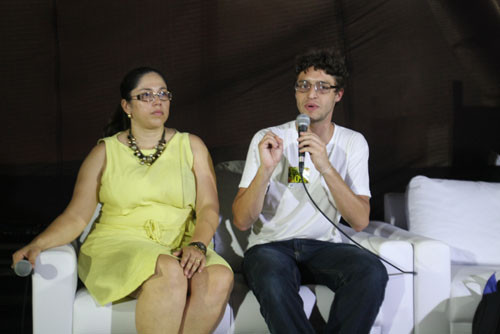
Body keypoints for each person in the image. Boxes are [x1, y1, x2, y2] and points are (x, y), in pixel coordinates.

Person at [12, 67, 233, 333]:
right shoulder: (104, 152)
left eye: (163, 93)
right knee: (169, 270)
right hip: (120, 243)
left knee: (219, 276)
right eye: (146, 95)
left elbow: (208, 206)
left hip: (179, 242)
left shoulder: (192, 145)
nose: (157, 100)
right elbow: (77, 216)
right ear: (127, 105)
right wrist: (38, 244)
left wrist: (197, 245)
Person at [232, 48, 388, 333]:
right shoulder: (269, 138)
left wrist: (326, 167)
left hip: (322, 248)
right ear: (295, 93)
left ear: (338, 94)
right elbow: (242, 220)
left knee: (371, 270)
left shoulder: (352, 143)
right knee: (272, 278)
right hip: (270, 249)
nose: (311, 94)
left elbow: (360, 221)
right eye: (303, 86)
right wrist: (266, 170)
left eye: (322, 87)